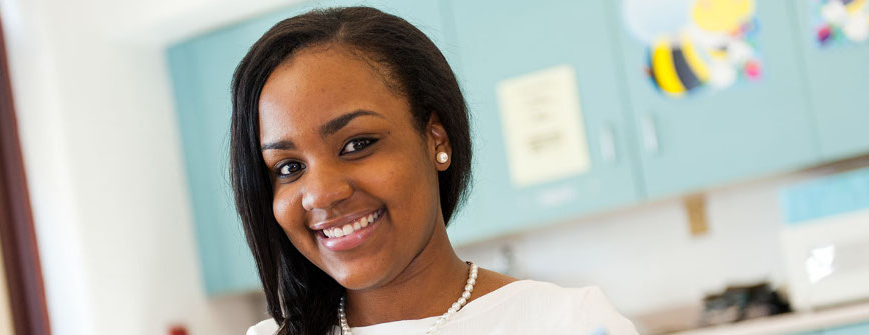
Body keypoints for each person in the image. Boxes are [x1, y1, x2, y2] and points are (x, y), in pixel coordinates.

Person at [230, 6, 638, 335]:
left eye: (357, 145)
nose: (321, 193)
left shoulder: (570, 323)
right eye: (289, 167)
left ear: (436, 140)